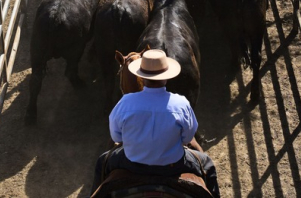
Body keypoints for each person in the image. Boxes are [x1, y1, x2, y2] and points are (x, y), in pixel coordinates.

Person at [90, 49, 220, 198]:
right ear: (166, 77)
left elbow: (116, 137)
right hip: (174, 166)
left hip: (131, 164)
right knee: (207, 164)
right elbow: (187, 137)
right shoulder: (181, 104)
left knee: (102, 162)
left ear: (141, 77)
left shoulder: (125, 102)